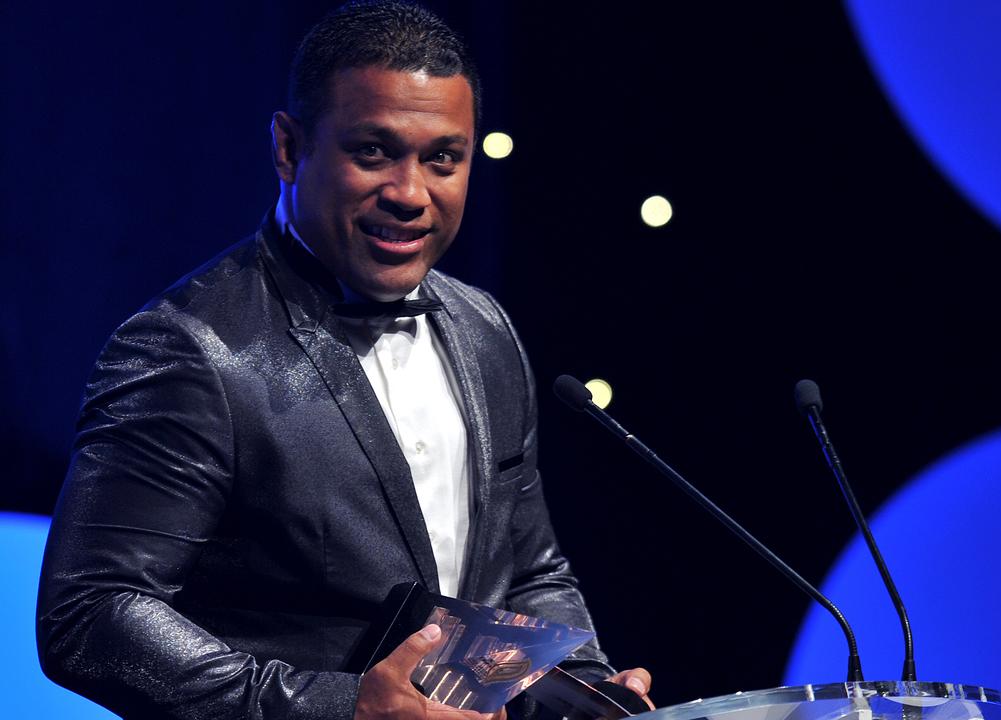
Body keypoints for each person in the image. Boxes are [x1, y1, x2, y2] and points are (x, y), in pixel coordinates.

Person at [36, 2, 652, 718]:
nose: (411, 194)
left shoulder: (486, 328)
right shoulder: (191, 348)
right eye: (374, 152)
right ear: (289, 149)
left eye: (442, 159)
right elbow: (91, 614)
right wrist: (343, 708)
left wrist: (587, 686)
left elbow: (528, 570)